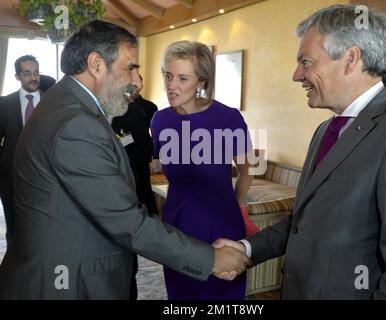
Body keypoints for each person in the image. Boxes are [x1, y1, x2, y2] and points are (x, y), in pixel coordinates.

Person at [0, 20, 249, 300]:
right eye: (130, 67)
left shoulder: (66, 103)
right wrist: (210, 260)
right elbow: (126, 221)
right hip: (65, 282)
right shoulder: (76, 123)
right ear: (96, 64)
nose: (135, 80)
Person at [215, 4, 386, 299]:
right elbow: (304, 222)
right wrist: (247, 248)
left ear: (350, 59)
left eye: (306, 62)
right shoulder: (325, 131)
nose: (296, 75)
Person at [150, 40, 254, 300]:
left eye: (183, 78)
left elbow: (247, 170)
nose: (171, 85)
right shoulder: (160, 120)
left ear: (202, 81)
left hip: (221, 226)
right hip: (176, 227)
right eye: (168, 75)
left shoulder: (228, 118)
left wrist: (237, 203)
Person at [111, 74, 159, 300]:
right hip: (100, 193)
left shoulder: (135, 112)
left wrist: (122, 150)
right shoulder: (89, 111)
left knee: (126, 254)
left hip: (129, 185)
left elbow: (146, 148)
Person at [0, 55, 42, 243]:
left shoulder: (53, 103)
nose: (33, 78)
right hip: (11, 179)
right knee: (15, 231)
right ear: (17, 76)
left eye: (36, 73)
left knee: (41, 231)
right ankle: (13, 270)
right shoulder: (4, 105)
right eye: (27, 73)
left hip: (45, 179)